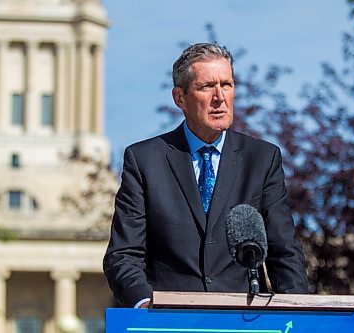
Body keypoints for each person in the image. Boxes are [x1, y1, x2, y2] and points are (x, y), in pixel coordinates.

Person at [103, 43, 308, 308]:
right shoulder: (144, 161)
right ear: (180, 98)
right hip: (167, 322)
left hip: (242, 320)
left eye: (227, 85)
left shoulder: (262, 159)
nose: (220, 97)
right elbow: (123, 255)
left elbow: (284, 252)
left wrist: (300, 314)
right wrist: (146, 307)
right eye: (206, 87)